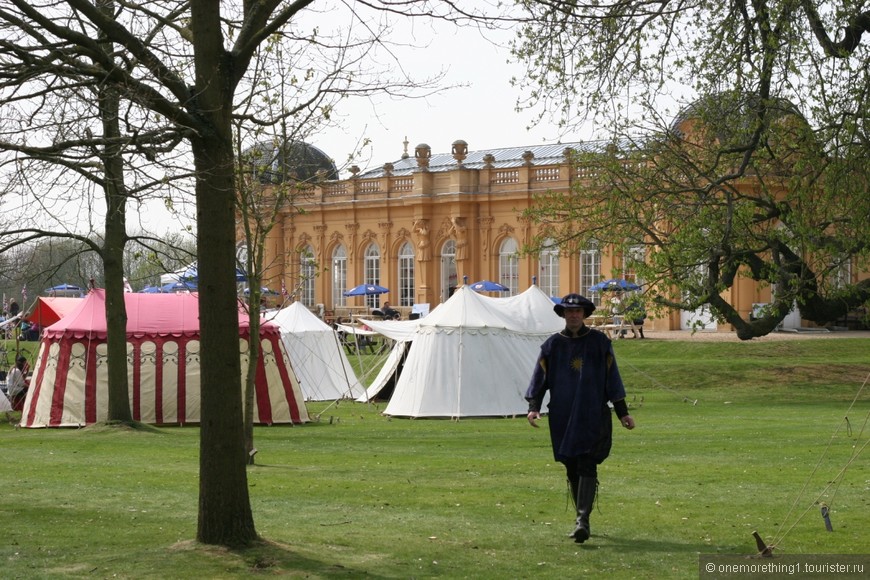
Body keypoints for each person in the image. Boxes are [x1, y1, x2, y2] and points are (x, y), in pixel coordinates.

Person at [525, 293, 636, 544]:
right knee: (572, 466)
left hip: (592, 413)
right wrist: (534, 406)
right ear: (563, 314)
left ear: (584, 314)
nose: (573, 315)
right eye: (569, 311)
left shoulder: (599, 343)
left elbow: (612, 379)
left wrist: (623, 412)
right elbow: (539, 380)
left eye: (578, 312)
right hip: (563, 414)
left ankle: (582, 520)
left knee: (587, 462)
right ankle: (581, 517)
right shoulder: (552, 346)